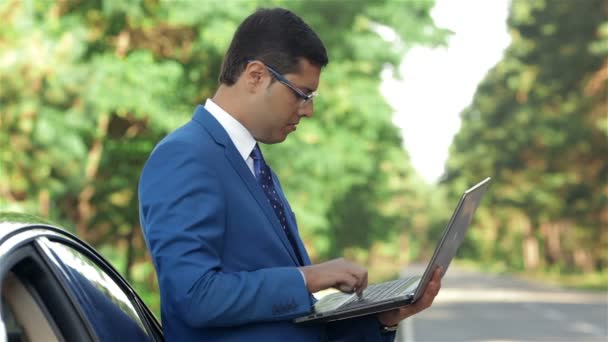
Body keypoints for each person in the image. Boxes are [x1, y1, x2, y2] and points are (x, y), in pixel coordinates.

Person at [138, 7, 442, 341]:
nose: (308, 110)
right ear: (256, 76)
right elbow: (194, 295)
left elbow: (292, 324)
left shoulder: (253, 164)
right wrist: (309, 277)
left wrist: (382, 318)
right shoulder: (184, 155)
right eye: (301, 94)